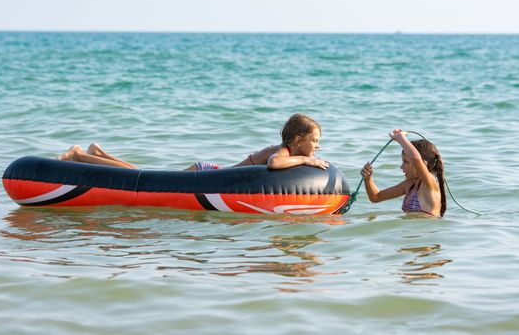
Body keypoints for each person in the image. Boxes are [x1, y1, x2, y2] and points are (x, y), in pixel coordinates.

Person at [58, 113, 329, 171]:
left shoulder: (287, 150)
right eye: (314, 141)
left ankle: (98, 152)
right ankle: (81, 155)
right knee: (139, 176)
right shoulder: (281, 151)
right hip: (207, 174)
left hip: (211, 171)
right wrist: (307, 160)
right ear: (297, 140)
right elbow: (273, 165)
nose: (317, 146)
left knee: (140, 172)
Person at [360, 129, 446, 217]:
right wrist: (368, 178)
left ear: (423, 164)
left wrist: (401, 138)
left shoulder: (429, 184)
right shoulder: (408, 185)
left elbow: (415, 158)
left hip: (424, 229)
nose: (401, 167)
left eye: (406, 162)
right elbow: (376, 197)